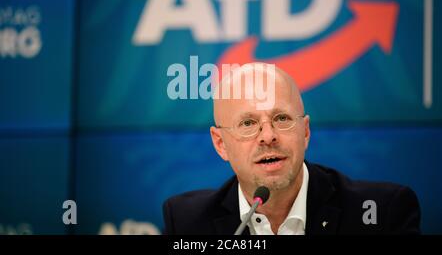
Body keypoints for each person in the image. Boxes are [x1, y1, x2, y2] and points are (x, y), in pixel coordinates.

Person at [162, 63, 421, 235]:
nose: (268, 136)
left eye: (282, 119)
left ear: (305, 132)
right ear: (221, 144)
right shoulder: (187, 223)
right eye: (248, 123)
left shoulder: (383, 213)